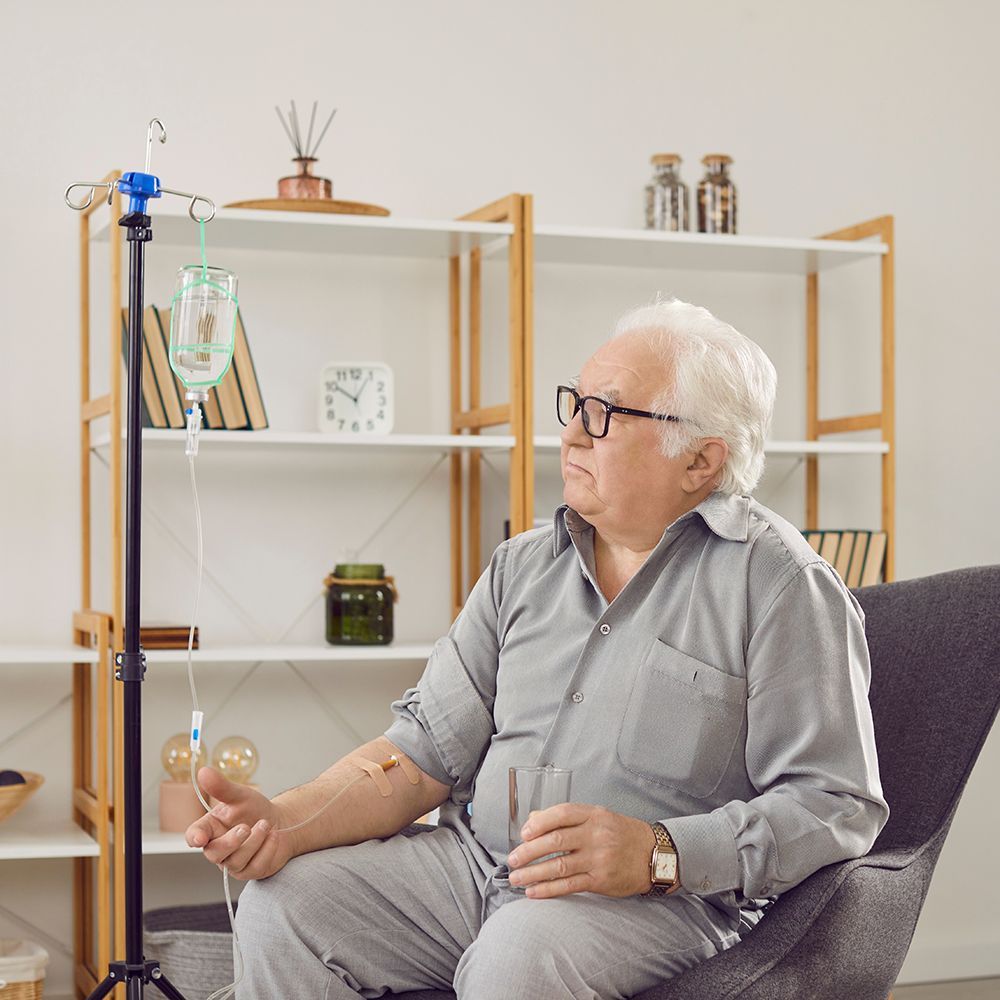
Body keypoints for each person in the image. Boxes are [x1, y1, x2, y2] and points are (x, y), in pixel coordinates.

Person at [187, 297, 889, 999]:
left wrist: (658, 852)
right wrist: (286, 819)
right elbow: (420, 753)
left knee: (522, 953)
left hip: (656, 904)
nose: (573, 436)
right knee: (285, 905)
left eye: (606, 414)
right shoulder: (522, 566)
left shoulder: (780, 584)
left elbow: (835, 804)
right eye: (575, 405)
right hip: (472, 866)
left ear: (701, 461)